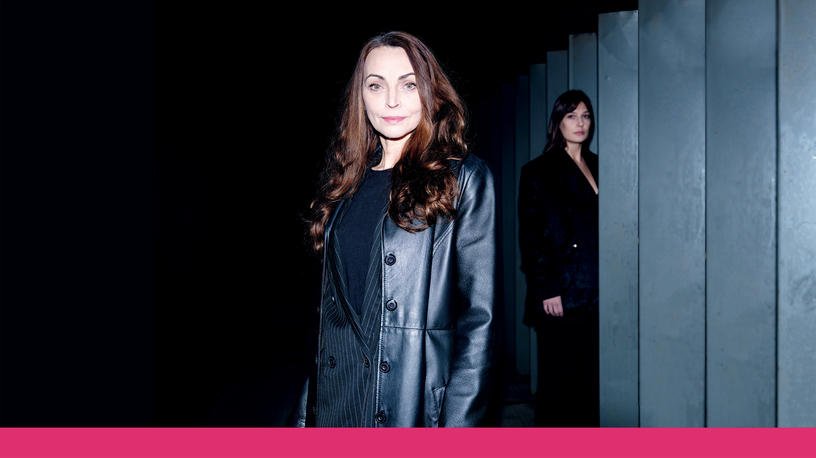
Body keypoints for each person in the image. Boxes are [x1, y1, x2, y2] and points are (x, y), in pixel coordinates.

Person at [295, 31, 496, 427]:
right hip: (334, 406)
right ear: (361, 96)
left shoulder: (462, 180)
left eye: (408, 84)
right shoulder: (345, 184)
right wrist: (304, 416)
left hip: (402, 405)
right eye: (375, 85)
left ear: (429, 92)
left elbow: (480, 322)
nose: (391, 100)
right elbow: (329, 322)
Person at [518, 89, 599, 426]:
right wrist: (548, 288)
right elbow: (532, 237)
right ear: (558, 122)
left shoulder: (598, 164)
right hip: (560, 292)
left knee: (589, 377)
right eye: (571, 116)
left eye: (585, 116)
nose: (580, 123)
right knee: (559, 380)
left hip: (593, 288)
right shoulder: (539, 171)